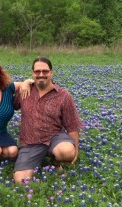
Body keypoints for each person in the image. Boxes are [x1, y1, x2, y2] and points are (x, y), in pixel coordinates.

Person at [13, 56, 82, 184]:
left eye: (45, 71)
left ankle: (55, 162)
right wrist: (22, 83)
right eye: (37, 72)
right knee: (21, 181)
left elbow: (72, 125)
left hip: (54, 137)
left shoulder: (63, 95)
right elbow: (4, 96)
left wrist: (75, 150)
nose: (41, 75)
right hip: (30, 142)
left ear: (51, 72)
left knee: (66, 152)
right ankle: (38, 161)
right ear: (32, 73)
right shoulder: (24, 91)